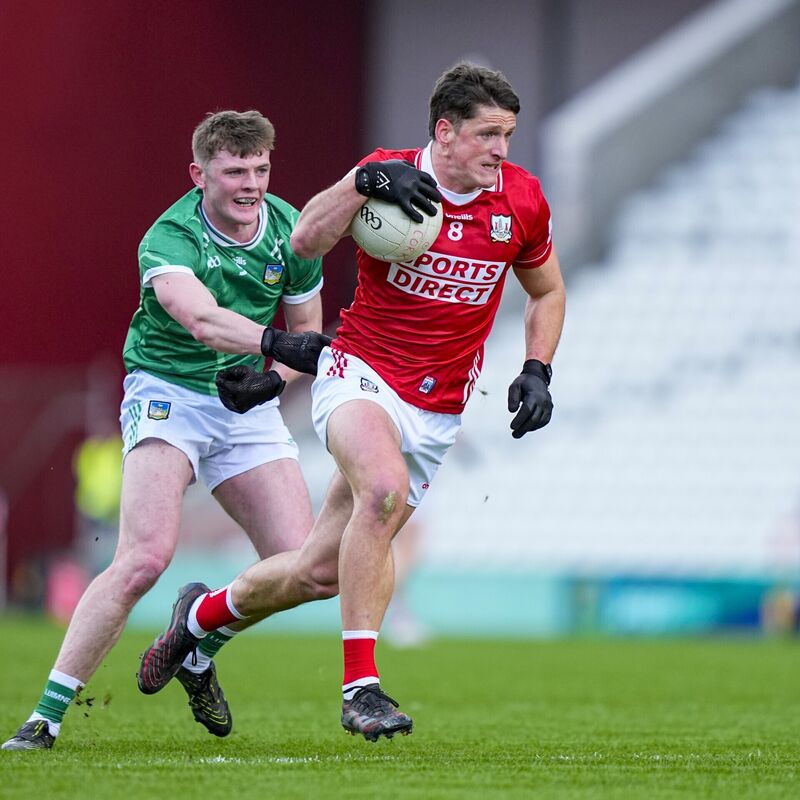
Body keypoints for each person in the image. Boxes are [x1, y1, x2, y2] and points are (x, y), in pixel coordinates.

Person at [136, 63, 566, 742]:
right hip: (358, 370)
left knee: (315, 573)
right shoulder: (385, 176)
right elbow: (304, 240)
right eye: (487, 134)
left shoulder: (522, 200)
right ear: (445, 132)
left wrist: (537, 368)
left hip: (440, 407)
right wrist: (357, 183)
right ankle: (361, 689)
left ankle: (198, 622)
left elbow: (546, 291)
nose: (500, 150)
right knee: (384, 492)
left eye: (508, 135)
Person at [2, 110, 333, 751]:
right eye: (235, 170)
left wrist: (274, 379)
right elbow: (204, 321)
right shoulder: (170, 236)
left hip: (245, 401)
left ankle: (196, 643)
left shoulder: (291, 231)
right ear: (199, 173)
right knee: (143, 559)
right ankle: (44, 718)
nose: (251, 184)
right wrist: (275, 350)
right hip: (169, 393)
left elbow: (306, 337)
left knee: (307, 569)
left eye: (260, 169)